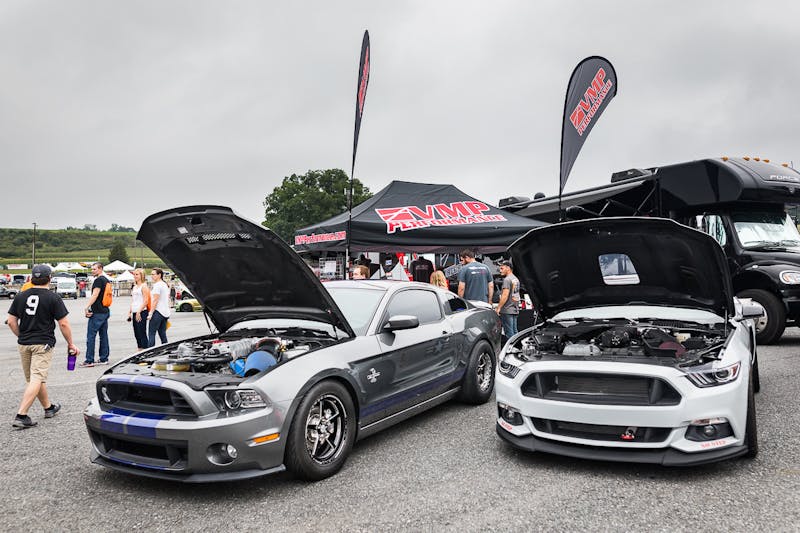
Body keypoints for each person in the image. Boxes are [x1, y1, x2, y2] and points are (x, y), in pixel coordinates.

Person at [7, 264, 79, 428]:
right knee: (37, 378)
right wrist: (71, 344)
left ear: (32, 278)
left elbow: (11, 321)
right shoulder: (53, 298)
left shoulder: (20, 296)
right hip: (43, 343)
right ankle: (21, 415)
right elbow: (64, 324)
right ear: (49, 278)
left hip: (24, 343)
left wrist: (21, 335)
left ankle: (49, 407)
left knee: (34, 379)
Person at [81, 262, 111, 367]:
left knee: (91, 336)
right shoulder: (106, 280)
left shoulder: (98, 280)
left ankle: (89, 360)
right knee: (103, 336)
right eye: (92, 269)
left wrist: (86, 307)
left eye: (94, 269)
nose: (92, 271)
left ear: (100, 269)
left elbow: (95, 295)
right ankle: (104, 358)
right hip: (105, 310)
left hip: (97, 312)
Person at [496, 260, 520, 340]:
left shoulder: (507, 280)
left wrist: (499, 308)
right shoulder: (515, 279)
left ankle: (511, 350)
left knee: (509, 333)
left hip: (507, 309)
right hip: (514, 308)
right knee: (515, 332)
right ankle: (517, 348)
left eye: (502, 268)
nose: (500, 270)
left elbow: (505, 295)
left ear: (508, 268)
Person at [128, 269, 151, 351]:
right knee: (136, 333)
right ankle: (139, 350)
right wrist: (129, 312)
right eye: (134, 274)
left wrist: (139, 311)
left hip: (141, 312)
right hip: (134, 311)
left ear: (142, 276)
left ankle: (145, 350)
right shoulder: (134, 287)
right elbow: (133, 300)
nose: (135, 276)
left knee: (142, 332)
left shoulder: (144, 286)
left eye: (137, 274)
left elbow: (146, 300)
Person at [148, 267, 171, 347]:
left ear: (159, 275)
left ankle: (150, 353)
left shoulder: (157, 285)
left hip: (157, 312)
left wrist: (150, 313)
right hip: (165, 312)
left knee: (151, 333)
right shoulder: (164, 284)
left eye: (153, 274)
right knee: (162, 334)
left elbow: (155, 300)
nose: (152, 276)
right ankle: (167, 350)